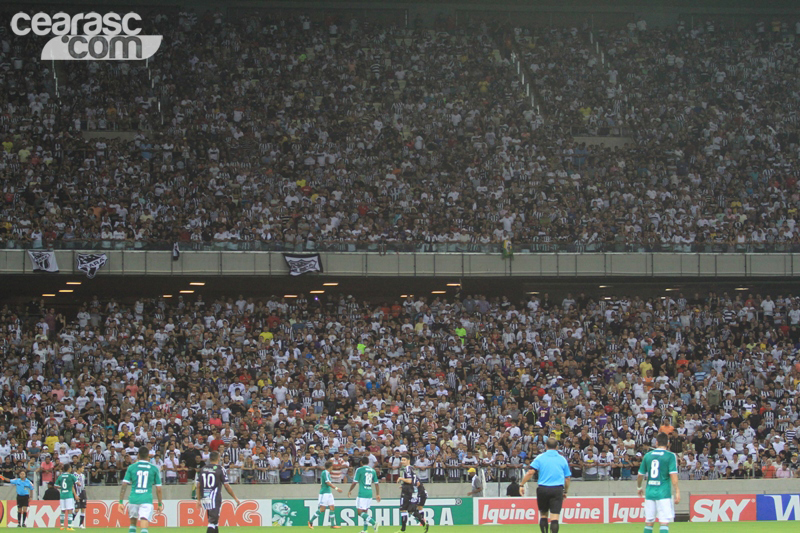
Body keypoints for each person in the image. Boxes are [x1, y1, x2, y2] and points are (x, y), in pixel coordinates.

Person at [520, 438, 571, 533]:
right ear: (557, 447)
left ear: (546, 446)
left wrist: (521, 485)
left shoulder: (540, 457)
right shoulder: (562, 459)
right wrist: (565, 491)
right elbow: (567, 478)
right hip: (557, 489)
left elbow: (530, 472)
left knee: (543, 515)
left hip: (543, 489)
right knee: (555, 517)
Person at [637, 433, 680, 533]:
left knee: (649, 522)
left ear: (656, 443)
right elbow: (673, 475)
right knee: (664, 522)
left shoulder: (647, 456)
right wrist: (677, 491)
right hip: (664, 493)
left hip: (650, 492)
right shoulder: (670, 456)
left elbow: (640, 475)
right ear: (668, 443)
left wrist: (639, 487)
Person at [119, 447, 164, 533]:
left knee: (132, 523)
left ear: (138, 455)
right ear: (148, 456)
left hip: (133, 498)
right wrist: (159, 503)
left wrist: (120, 501)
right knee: (144, 520)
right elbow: (158, 489)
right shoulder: (154, 468)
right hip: (146, 499)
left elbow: (124, 485)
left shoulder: (131, 467)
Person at [196, 451, 241, 533]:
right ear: (218, 458)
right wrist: (235, 498)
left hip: (205, 497)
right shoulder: (220, 469)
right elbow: (226, 486)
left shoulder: (203, 469)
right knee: (212, 522)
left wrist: (198, 500)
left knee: (214, 522)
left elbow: (198, 485)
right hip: (214, 497)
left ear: (210, 459)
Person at [348, 456, 381, 533]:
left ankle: (374, 523)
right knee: (365, 511)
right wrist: (378, 494)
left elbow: (355, 482)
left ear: (361, 462)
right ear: (368, 462)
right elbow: (376, 483)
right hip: (369, 492)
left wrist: (350, 490)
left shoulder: (359, 470)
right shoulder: (372, 470)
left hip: (362, 493)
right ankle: (365, 530)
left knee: (359, 512)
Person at [308, 460, 343, 529]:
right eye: (332, 466)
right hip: (324, 493)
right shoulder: (325, 472)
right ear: (330, 467)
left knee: (332, 507)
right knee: (322, 509)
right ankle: (310, 521)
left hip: (328, 493)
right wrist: (336, 488)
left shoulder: (327, 473)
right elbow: (327, 482)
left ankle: (333, 524)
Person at [397, 455, 427, 533]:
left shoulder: (407, 468)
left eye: (404, 460)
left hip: (407, 492)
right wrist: (403, 485)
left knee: (403, 509)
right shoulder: (412, 468)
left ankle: (402, 530)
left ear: (408, 460)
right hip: (412, 491)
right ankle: (424, 523)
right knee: (411, 510)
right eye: (402, 460)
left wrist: (401, 479)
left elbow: (410, 480)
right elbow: (414, 481)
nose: (402, 461)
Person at [55, 463, 79, 531]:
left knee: (63, 510)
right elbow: (78, 483)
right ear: (69, 468)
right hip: (69, 495)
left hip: (62, 495)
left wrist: (62, 487)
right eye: (70, 467)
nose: (71, 468)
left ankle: (62, 526)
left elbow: (56, 485)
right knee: (70, 510)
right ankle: (69, 526)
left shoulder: (60, 476)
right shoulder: (71, 476)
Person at [74, 464, 88, 529]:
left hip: (83, 492)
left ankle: (81, 524)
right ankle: (70, 522)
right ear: (79, 468)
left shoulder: (83, 476)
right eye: (82, 468)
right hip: (77, 493)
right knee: (76, 509)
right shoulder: (73, 475)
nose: (83, 469)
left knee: (83, 508)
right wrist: (75, 494)